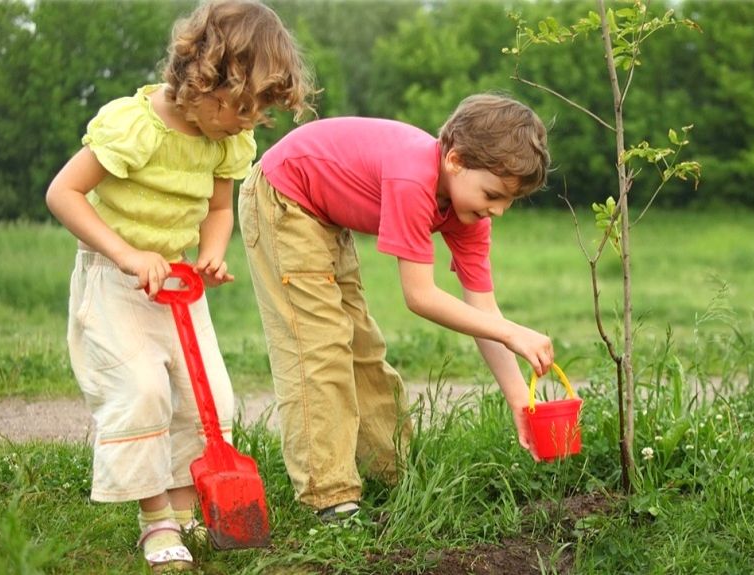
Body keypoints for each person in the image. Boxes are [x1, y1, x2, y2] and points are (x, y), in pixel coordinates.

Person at [44, 1, 311, 571]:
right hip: (115, 280)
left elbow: (218, 207)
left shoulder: (226, 140)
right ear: (204, 79)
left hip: (178, 283)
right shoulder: (135, 126)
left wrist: (211, 252)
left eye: (260, 113)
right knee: (142, 391)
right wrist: (126, 254)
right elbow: (62, 193)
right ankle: (156, 519)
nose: (248, 123)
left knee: (206, 398)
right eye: (243, 107)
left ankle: (187, 510)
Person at [238, 92, 555, 522]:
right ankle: (329, 497)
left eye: (508, 201)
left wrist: (520, 401)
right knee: (320, 348)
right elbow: (419, 296)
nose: (497, 211)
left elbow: (484, 312)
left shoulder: (470, 212)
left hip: (326, 216)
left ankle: (391, 474)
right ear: (456, 161)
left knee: (362, 348)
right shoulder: (413, 178)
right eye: (493, 194)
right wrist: (513, 332)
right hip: (284, 198)